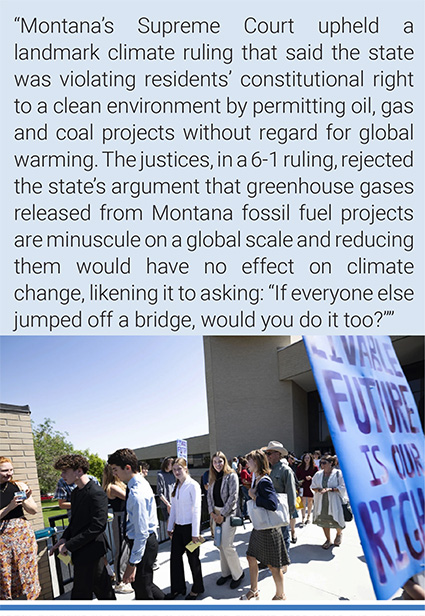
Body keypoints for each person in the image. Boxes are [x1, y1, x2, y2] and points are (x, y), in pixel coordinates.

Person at [50, 454, 116, 600]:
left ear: (79, 471)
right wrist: (63, 539)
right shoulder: (75, 493)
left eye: (65, 471)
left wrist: (69, 545)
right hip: (81, 550)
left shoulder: (96, 492)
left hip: (92, 550)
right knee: (101, 589)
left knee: (82, 592)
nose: (62, 476)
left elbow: (98, 526)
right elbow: (74, 522)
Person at [107, 448, 165, 600]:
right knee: (146, 583)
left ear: (127, 468)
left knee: (142, 588)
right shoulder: (140, 484)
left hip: (143, 542)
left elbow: (141, 533)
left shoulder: (136, 493)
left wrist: (131, 564)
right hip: (147, 541)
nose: (114, 474)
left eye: (115, 469)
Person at [241, 450, 289, 601]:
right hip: (261, 528)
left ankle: (280, 595)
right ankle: (254, 589)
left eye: (249, 461)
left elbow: (272, 504)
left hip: (268, 530)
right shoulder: (258, 478)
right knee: (251, 556)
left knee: (274, 565)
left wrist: (254, 497)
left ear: (257, 463)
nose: (247, 464)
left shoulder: (264, 481)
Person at [0, 456, 40, 600]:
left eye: (11, 470)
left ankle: (29, 601)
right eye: (4, 471)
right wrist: (10, 507)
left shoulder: (19, 486)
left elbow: (33, 510)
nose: (9, 473)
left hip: (22, 535)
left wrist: (24, 500)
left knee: (26, 569)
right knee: (5, 573)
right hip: (2, 539)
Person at [166, 457, 204, 600]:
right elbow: (174, 509)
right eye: (174, 469)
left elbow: (197, 510)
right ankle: (178, 587)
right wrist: (170, 527)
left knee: (193, 560)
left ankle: (197, 588)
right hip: (179, 530)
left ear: (185, 468)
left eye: (179, 469)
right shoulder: (176, 487)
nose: (176, 472)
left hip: (190, 530)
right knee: (175, 559)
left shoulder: (193, 485)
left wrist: (195, 533)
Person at [207, 452, 244, 589]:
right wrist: (212, 512)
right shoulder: (212, 477)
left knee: (227, 545)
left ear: (225, 462)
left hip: (227, 514)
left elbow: (233, 497)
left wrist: (222, 514)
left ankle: (238, 574)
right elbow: (209, 497)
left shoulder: (231, 475)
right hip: (215, 514)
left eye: (220, 461)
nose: (217, 464)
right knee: (220, 545)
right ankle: (226, 573)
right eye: (215, 462)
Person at [102, 464, 132, 594]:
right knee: (120, 550)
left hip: (125, 518)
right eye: (115, 470)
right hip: (120, 519)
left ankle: (124, 577)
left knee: (126, 550)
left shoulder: (118, 485)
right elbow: (129, 496)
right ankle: (119, 582)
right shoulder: (112, 487)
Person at [262, 440, 298, 548]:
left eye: (270, 453)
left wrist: (290, 511)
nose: (267, 456)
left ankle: (284, 563)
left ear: (278, 454)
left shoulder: (285, 470)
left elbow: (291, 492)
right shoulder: (266, 470)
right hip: (268, 509)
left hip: (281, 509)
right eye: (266, 453)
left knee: (283, 538)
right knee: (270, 538)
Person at [311, 455, 346, 548]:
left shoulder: (338, 473)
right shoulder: (318, 474)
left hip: (335, 501)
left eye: (324, 463)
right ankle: (328, 540)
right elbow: (312, 486)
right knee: (324, 520)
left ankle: (339, 534)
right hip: (322, 501)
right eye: (321, 463)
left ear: (331, 463)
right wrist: (319, 490)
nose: (322, 465)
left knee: (337, 519)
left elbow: (343, 487)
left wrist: (330, 489)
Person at [295, 452, 317, 525]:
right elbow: (297, 477)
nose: (306, 459)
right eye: (305, 458)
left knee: (310, 502)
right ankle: (303, 518)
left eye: (308, 458)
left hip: (311, 486)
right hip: (303, 486)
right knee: (303, 502)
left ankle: (308, 517)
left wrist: (311, 478)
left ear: (311, 459)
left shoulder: (315, 467)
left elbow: (317, 477)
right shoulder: (300, 467)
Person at [156, 457, 175, 524]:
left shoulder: (172, 474)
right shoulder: (160, 475)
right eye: (171, 464)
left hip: (174, 502)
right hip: (166, 504)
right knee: (169, 523)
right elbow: (160, 492)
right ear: (167, 464)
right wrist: (168, 504)